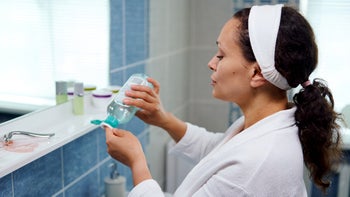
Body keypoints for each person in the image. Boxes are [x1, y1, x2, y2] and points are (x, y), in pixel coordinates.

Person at [104, 4, 343, 196]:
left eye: (221, 55)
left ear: (257, 73)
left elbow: (237, 167)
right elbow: (218, 152)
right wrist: (164, 120)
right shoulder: (268, 123)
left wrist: (137, 163)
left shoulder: (257, 163)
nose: (211, 63)